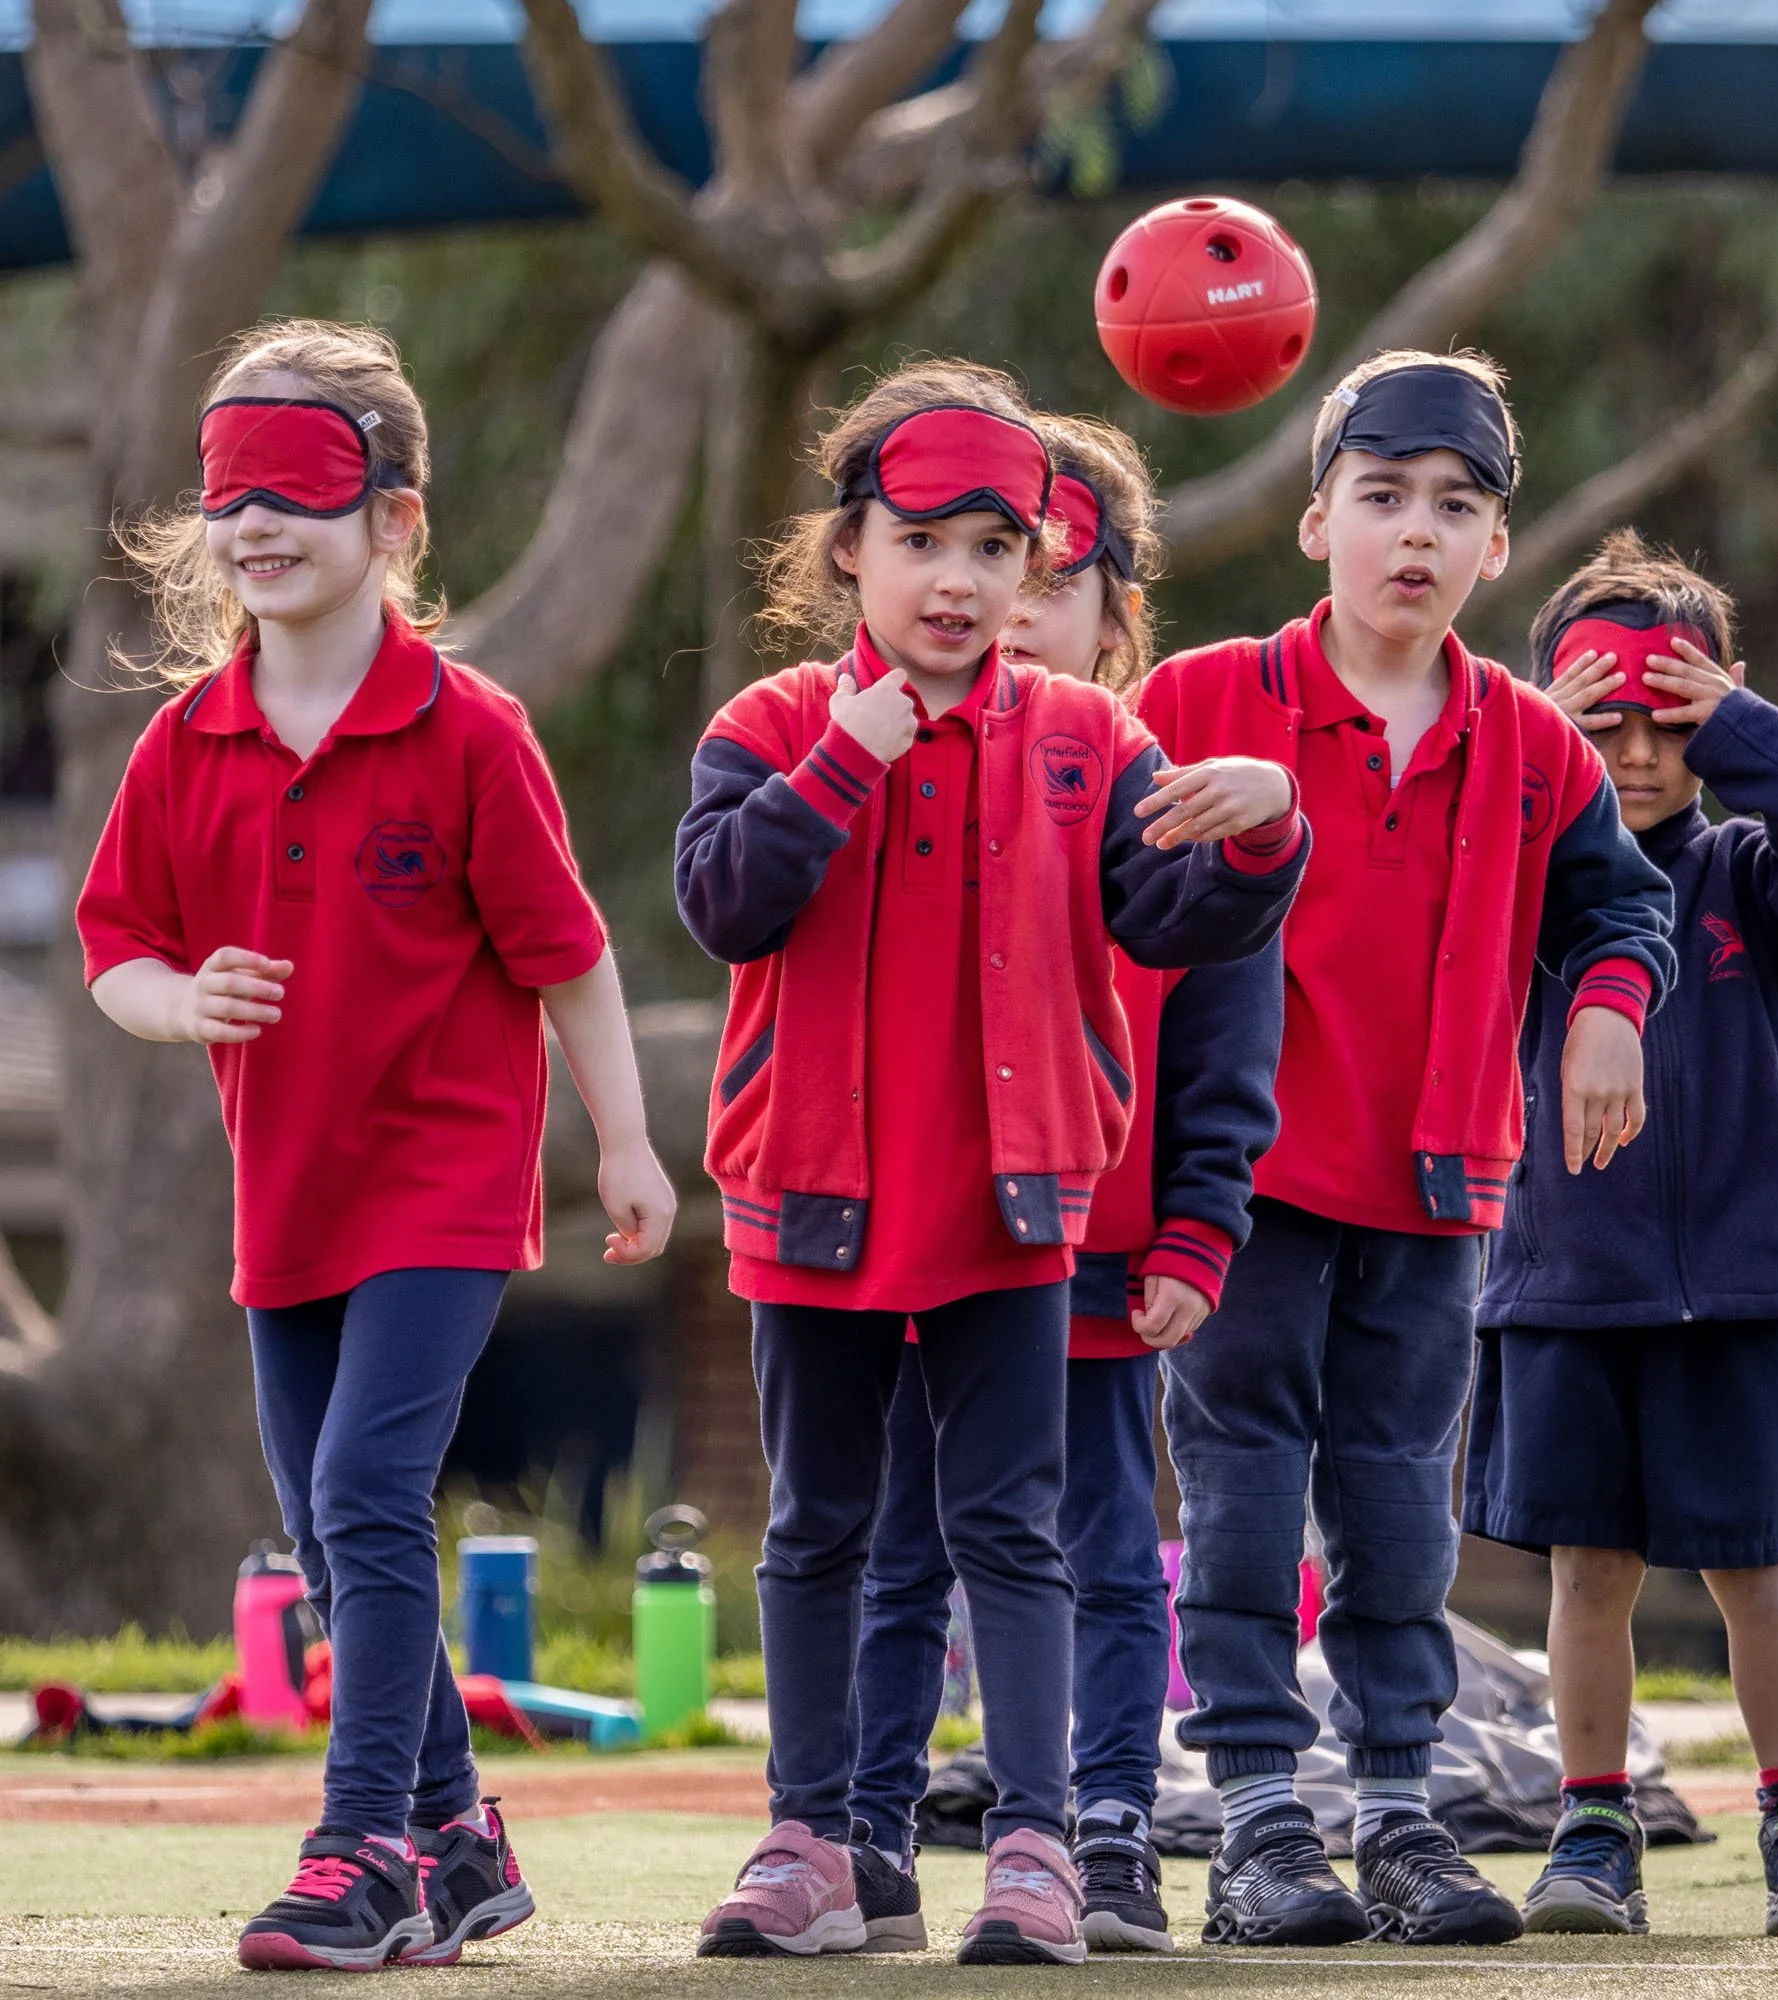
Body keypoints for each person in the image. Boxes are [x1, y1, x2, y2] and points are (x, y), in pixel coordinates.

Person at [674, 363, 1306, 1965]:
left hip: (1020, 1203)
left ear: (1038, 567)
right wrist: (846, 758)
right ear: (845, 553)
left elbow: (1169, 924)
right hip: (812, 1204)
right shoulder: (764, 726)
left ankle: (1034, 1851)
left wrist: (1262, 838)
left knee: (1011, 1528)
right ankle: (811, 1839)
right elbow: (724, 905)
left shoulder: (1094, 738)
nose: (958, 581)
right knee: (817, 1527)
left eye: (995, 547)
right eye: (920, 543)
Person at [75, 322, 676, 1973]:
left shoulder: (472, 732)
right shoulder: (182, 744)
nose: (258, 525)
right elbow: (113, 947)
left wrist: (625, 1145)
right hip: (290, 1196)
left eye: (302, 493)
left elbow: (570, 957)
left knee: (362, 1489)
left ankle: (367, 1854)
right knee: (334, 1524)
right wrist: (179, 1001)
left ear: (396, 519)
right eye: (231, 496)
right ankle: (465, 1831)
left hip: (447, 1182)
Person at [1136, 350, 1678, 1948]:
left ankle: (1397, 1818)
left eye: (1456, 508)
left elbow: (1622, 907)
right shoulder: (1199, 699)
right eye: (1381, 500)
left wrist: (1610, 1008)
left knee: (1396, 1515)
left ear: (1498, 548)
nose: (1416, 534)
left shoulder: (1532, 745)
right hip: (1235, 1197)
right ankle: (1252, 1825)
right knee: (1239, 1498)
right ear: (1317, 525)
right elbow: (1107, 901)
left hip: (1439, 1191)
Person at [844, 419, 1286, 1955]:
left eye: (1043, 567)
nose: (1005, 600)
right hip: (919, 1241)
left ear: (1113, 612)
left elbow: (1226, 1025)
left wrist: (1198, 1224)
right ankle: (866, 1833)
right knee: (896, 1545)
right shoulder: (890, 754)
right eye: (967, 557)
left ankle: (1107, 1832)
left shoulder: (1157, 795)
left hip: (1092, 1247)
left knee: (1101, 1546)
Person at [1468, 530, 1778, 1939]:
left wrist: (1748, 727)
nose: (1640, 753)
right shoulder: (1524, 896)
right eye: (1606, 723)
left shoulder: (1760, 884)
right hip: (1562, 1286)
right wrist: (1534, 749)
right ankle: (1593, 1828)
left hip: (1747, 1287)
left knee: (1754, 1568)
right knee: (1589, 1572)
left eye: (1672, 721)